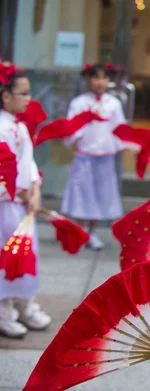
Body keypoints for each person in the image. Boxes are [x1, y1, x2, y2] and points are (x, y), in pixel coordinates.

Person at [0, 63, 51, 338]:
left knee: (25, 256)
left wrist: (35, 189)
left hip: (21, 202)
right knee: (6, 257)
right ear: (6, 95)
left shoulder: (19, 127)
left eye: (29, 93)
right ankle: (5, 312)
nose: (29, 98)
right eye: (23, 93)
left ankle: (26, 304)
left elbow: (27, 163)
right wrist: (23, 192)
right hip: (5, 204)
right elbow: (3, 170)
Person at [60, 64, 126, 250]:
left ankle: (92, 232)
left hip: (104, 155)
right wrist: (73, 137)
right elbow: (71, 126)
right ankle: (79, 231)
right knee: (82, 192)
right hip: (85, 154)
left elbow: (120, 128)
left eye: (104, 78)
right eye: (96, 78)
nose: (100, 82)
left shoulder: (113, 103)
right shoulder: (79, 102)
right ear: (89, 79)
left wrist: (126, 144)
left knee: (100, 194)